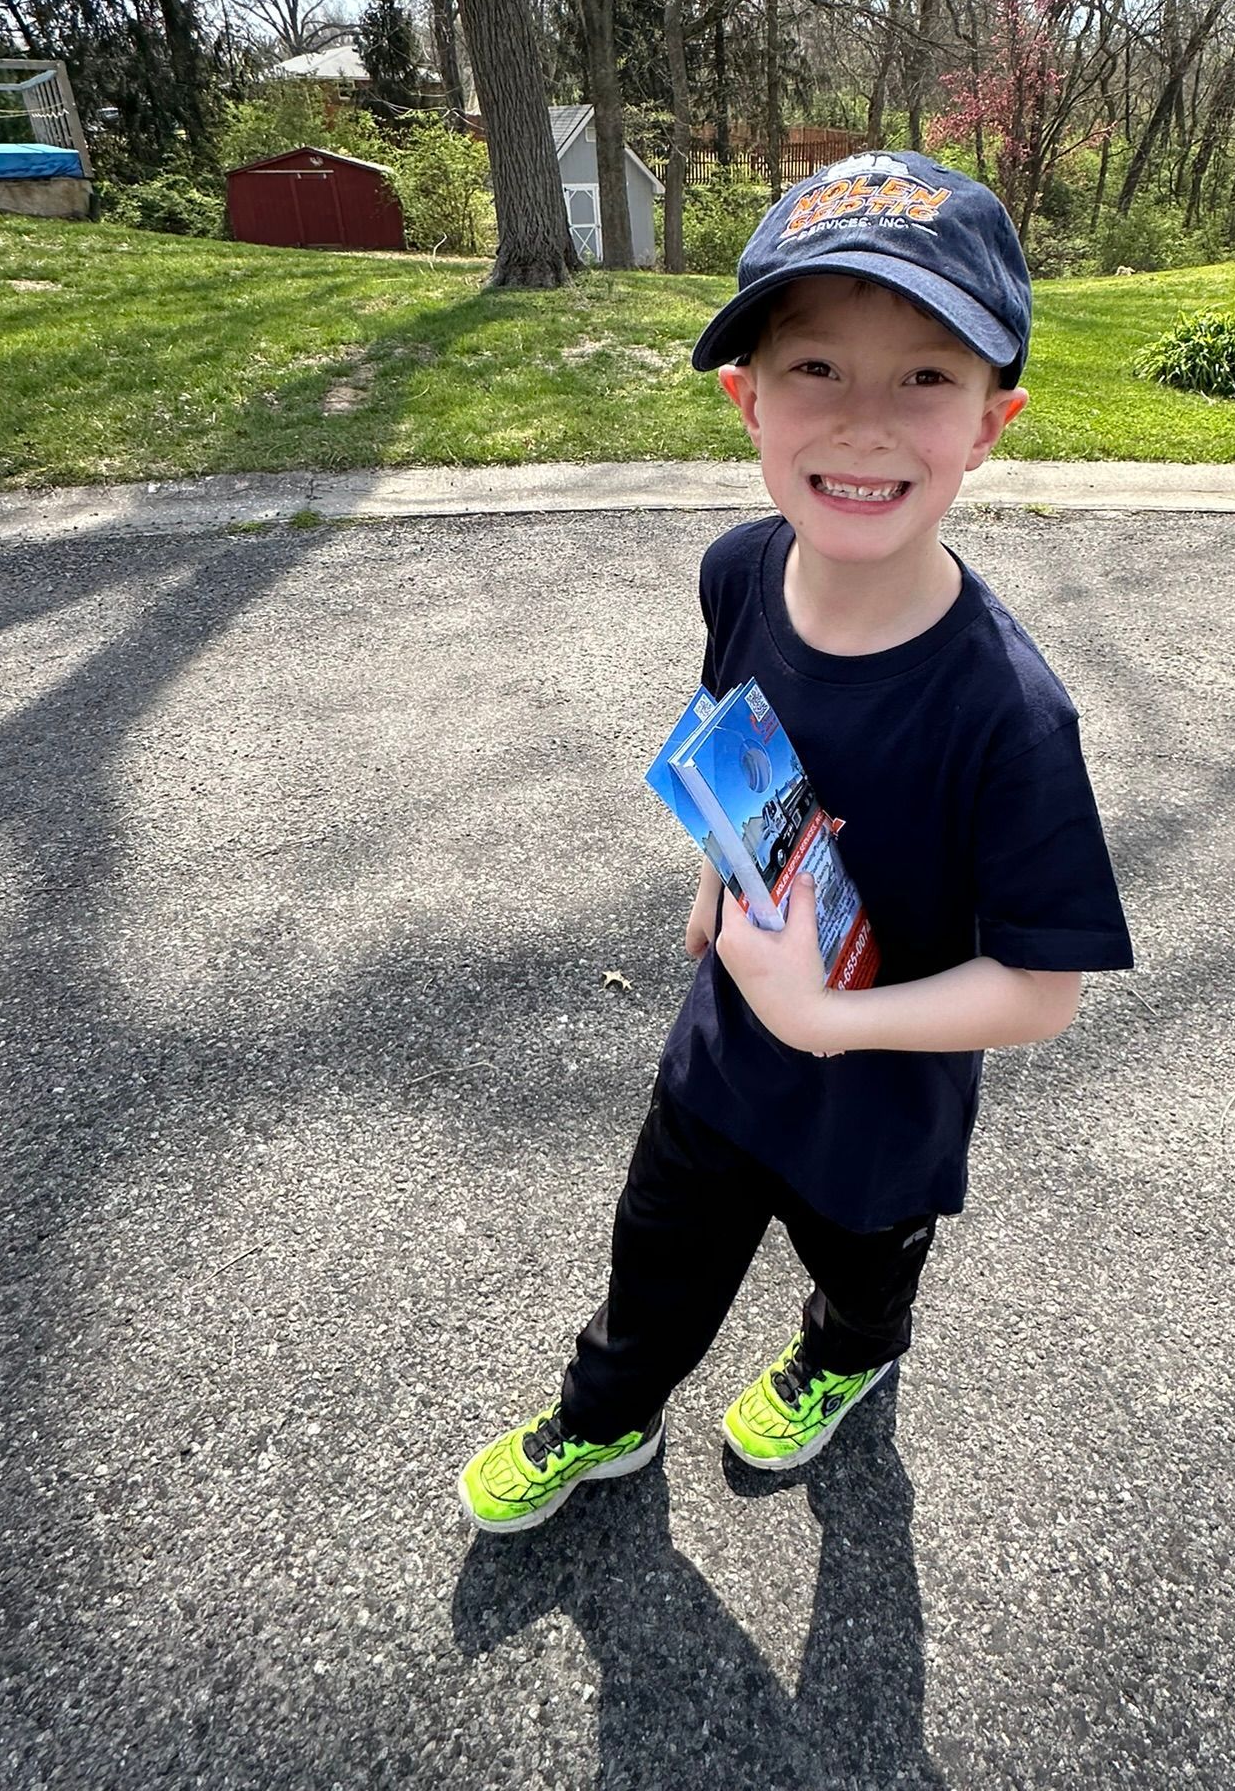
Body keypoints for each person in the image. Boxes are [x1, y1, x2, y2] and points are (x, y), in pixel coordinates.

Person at [458, 152, 1133, 1534]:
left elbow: (1041, 991)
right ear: (745, 400)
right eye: (816, 368)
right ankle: (607, 1415)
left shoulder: (1008, 712)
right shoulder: (740, 569)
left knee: (864, 1271)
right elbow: (735, 725)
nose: (867, 424)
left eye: (926, 378)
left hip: (880, 1105)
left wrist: (830, 1016)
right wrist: (718, 877)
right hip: (723, 1051)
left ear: (994, 423)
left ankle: (848, 1358)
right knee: (657, 1255)